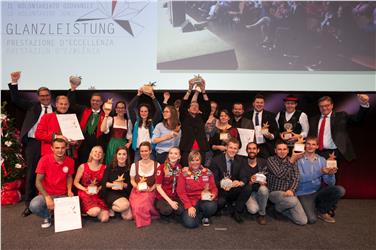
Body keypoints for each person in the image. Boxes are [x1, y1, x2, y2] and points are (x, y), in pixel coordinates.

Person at [7, 71, 54, 217]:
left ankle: (48, 200)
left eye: (47, 95)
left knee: (49, 173)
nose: (45, 98)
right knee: (32, 173)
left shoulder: (57, 110)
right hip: (34, 143)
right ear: (38, 97)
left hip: (51, 145)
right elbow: (15, 99)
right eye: (42, 96)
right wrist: (14, 82)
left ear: (50, 96)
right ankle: (29, 204)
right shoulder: (32, 106)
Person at [296, 136, 346, 224]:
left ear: (317, 146)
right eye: (308, 144)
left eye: (313, 144)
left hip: (317, 191)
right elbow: (301, 179)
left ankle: (322, 211)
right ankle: (313, 206)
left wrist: (330, 175)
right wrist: (320, 172)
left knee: (340, 190)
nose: (310, 146)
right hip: (303, 193)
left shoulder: (322, 160)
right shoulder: (298, 159)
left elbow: (330, 183)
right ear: (305, 145)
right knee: (311, 220)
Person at [29, 138, 74, 228]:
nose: (60, 150)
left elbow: (69, 177)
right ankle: (47, 216)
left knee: (73, 211)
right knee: (34, 205)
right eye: (57, 148)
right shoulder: (44, 160)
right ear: (52, 148)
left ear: (66, 148)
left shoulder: (70, 161)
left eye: (62, 148)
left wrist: (69, 190)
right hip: (46, 194)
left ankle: (55, 213)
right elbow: (38, 182)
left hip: (62, 194)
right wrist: (47, 197)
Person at [308, 94, 369, 162]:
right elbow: (310, 136)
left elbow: (358, 120)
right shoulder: (313, 119)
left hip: (334, 153)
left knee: (333, 172)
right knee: (316, 172)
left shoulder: (341, 116)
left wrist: (364, 104)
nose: (324, 108)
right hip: (317, 152)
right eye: (321, 106)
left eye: (327, 105)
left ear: (332, 105)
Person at [266, 141, 307, 225]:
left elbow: (296, 178)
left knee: (302, 221)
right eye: (279, 149)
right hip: (275, 192)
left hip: (289, 193)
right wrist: (291, 160)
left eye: (284, 149)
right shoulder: (270, 160)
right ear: (275, 150)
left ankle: (280, 209)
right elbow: (280, 174)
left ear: (288, 150)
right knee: (292, 201)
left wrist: (292, 190)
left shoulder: (292, 160)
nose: (282, 151)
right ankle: (277, 209)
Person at [67, 77, 106, 165]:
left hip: (98, 146)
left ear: (101, 102)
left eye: (97, 101)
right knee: (82, 166)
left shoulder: (106, 115)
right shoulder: (84, 110)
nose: (95, 102)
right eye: (93, 100)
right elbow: (71, 104)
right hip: (83, 145)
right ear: (90, 101)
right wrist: (73, 89)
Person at [210, 138, 249, 223]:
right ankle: (222, 207)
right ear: (226, 147)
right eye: (230, 147)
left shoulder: (241, 160)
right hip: (220, 189)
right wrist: (223, 183)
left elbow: (244, 177)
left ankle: (236, 211)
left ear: (238, 150)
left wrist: (240, 182)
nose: (232, 150)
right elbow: (213, 181)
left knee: (247, 187)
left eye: (235, 148)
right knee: (221, 202)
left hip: (233, 188)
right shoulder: (216, 160)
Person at [177, 150, 218, 228]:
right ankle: (198, 214)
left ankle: (204, 215)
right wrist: (189, 206)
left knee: (212, 206)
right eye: (192, 160)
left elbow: (213, 187)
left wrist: (214, 194)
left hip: (203, 200)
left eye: (197, 160)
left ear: (200, 160)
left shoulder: (207, 172)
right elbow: (181, 192)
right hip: (189, 201)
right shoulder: (184, 173)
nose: (195, 162)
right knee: (190, 224)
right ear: (189, 161)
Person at [179, 78, 210, 166]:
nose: (195, 107)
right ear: (188, 109)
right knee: (186, 170)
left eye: (197, 106)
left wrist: (203, 91)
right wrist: (189, 89)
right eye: (192, 105)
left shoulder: (202, 118)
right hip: (187, 149)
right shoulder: (184, 117)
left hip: (201, 150)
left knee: (200, 172)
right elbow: (183, 104)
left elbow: (208, 107)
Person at [73, 146, 109, 222]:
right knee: (95, 211)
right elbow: (75, 182)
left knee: (105, 219)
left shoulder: (104, 167)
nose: (97, 154)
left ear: (102, 155)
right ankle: (85, 210)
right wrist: (85, 189)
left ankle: (95, 210)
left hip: (97, 193)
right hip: (84, 192)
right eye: (95, 151)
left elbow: (104, 183)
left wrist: (99, 189)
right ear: (91, 154)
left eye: (100, 152)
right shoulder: (83, 166)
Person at [129, 141, 159, 228]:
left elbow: (158, 181)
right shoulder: (134, 165)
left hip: (151, 190)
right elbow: (132, 180)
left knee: (144, 201)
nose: (144, 153)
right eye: (142, 151)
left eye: (146, 151)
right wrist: (137, 186)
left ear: (150, 151)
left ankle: (143, 219)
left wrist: (152, 188)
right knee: (137, 206)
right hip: (137, 191)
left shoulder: (157, 165)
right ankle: (141, 218)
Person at [128, 88, 162, 161]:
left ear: (148, 112)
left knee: (151, 171)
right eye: (141, 111)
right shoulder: (136, 122)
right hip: (138, 151)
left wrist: (153, 97)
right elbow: (130, 108)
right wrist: (138, 95)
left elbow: (159, 111)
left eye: (145, 111)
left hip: (150, 151)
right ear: (139, 112)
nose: (143, 113)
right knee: (137, 171)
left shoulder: (152, 122)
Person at [100, 146, 133, 220]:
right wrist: (114, 185)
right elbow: (104, 183)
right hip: (111, 192)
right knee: (125, 205)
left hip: (123, 193)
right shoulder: (110, 167)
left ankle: (114, 207)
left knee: (129, 217)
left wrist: (124, 185)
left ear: (127, 156)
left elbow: (130, 186)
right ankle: (110, 206)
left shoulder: (130, 168)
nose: (121, 156)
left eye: (124, 154)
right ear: (116, 155)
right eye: (119, 154)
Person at [241, 142, 269, 225]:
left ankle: (262, 214)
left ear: (258, 150)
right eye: (249, 148)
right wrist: (249, 180)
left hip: (260, 190)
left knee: (264, 190)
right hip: (248, 192)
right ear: (246, 150)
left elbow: (268, 176)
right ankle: (260, 203)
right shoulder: (242, 162)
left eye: (254, 148)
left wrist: (265, 182)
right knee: (253, 210)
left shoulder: (264, 162)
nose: (251, 150)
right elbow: (240, 178)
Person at [155, 147, 184, 222]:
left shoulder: (179, 167)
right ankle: (164, 211)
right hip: (162, 197)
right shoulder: (161, 167)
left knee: (181, 210)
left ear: (179, 156)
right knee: (167, 210)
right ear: (168, 155)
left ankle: (171, 212)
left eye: (175, 153)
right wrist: (170, 202)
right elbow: (158, 187)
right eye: (171, 153)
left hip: (174, 196)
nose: (173, 155)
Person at [246, 94, 279, 159]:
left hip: (265, 146)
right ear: (253, 104)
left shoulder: (271, 115)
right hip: (250, 146)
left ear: (264, 104)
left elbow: (276, 131)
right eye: (257, 102)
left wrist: (271, 136)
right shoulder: (247, 115)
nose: (259, 104)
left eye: (261, 103)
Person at [101, 100, 132, 166]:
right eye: (118, 108)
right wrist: (106, 115)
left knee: (122, 164)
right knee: (111, 162)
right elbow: (102, 129)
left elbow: (129, 136)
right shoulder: (111, 119)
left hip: (123, 145)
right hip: (112, 145)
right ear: (116, 109)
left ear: (125, 110)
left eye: (122, 108)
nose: (120, 109)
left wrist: (129, 143)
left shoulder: (128, 122)